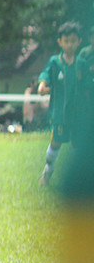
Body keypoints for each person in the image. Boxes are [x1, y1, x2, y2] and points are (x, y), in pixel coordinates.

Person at [37, 21, 85, 186]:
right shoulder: (55, 62)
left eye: (73, 41)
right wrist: (42, 84)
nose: (70, 44)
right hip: (59, 113)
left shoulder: (82, 64)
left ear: (79, 41)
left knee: (79, 146)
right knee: (56, 143)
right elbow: (45, 74)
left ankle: (80, 181)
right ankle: (47, 173)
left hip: (79, 113)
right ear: (60, 42)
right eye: (66, 41)